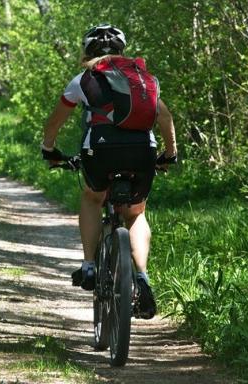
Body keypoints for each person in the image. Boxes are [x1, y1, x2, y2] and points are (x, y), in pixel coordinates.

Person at [41, 24, 177, 319]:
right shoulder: (142, 78)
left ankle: (89, 265)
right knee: (136, 213)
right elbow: (164, 116)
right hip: (143, 151)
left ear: (87, 51)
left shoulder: (83, 79)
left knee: (92, 197)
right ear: (121, 50)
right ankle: (142, 277)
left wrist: (49, 150)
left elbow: (54, 123)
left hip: (100, 152)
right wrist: (170, 154)